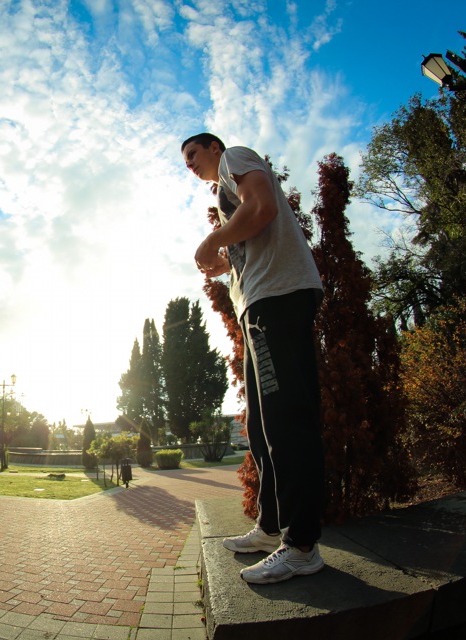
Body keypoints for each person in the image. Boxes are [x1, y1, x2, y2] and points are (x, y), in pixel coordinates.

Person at [181, 133, 325, 585]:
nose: (188, 164)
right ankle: (269, 529)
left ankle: (301, 546)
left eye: (192, 154)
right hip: (259, 307)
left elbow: (261, 207)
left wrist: (212, 240)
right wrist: (228, 264)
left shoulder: (235, 160)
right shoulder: (224, 187)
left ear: (214, 149)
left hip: (277, 299)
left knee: (287, 421)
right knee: (263, 429)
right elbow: (254, 227)